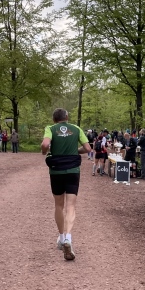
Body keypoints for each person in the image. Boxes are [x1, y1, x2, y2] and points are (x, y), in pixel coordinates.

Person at [41, 108, 91, 261]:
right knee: (71, 206)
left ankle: (61, 238)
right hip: (73, 170)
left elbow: (45, 144)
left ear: (54, 119)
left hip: (56, 171)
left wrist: (44, 151)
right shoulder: (76, 129)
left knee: (58, 205)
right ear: (67, 117)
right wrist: (75, 151)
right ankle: (68, 237)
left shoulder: (50, 129)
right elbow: (88, 148)